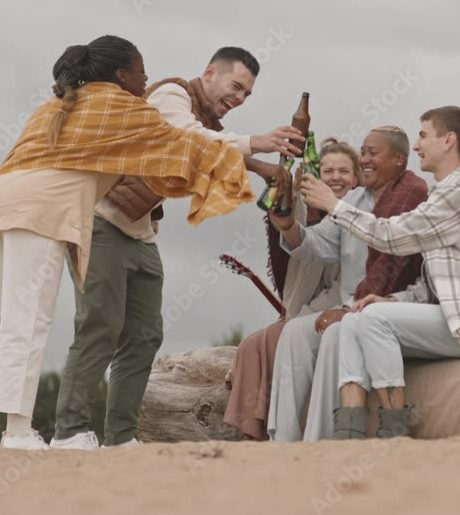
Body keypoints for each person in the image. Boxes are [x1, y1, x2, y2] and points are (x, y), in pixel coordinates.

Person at [0, 35, 253, 451]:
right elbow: (182, 142)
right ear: (121, 75)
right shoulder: (119, 105)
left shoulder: (56, 104)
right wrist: (255, 145)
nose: (147, 79)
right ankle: (16, 430)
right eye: (141, 70)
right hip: (41, 209)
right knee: (26, 318)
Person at [50, 47, 306, 450]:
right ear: (209, 73)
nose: (239, 98)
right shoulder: (171, 94)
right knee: (99, 326)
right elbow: (187, 137)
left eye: (247, 95)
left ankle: (120, 437)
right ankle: (68, 432)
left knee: (145, 336)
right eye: (236, 86)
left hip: (141, 233)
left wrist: (264, 168)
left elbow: (212, 144)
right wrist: (258, 143)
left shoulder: (209, 120)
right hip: (100, 223)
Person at [298, 106, 460, 440]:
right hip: (452, 318)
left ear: (449, 140)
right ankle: (349, 434)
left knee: (374, 319)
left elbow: (392, 236)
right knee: (358, 316)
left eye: (424, 135)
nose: (416, 146)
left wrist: (334, 205)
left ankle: (393, 431)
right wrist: (390, 298)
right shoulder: (444, 192)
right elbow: (433, 283)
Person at [266, 126, 429, 441]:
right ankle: (282, 440)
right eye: (363, 152)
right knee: (294, 333)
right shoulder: (355, 197)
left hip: (386, 308)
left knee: (334, 334)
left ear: (399, 160)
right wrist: (287, 227)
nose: (364, 160)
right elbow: (319, 245)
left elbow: (392, 260)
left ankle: (321, 439)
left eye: (373, 153)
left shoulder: (414, 194)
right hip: (349, 307)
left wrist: (350, 312)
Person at [223, 139, 360, 440]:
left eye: (344, 171)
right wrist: (279, 176)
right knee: (251, 344)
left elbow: (349, 285)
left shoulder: (359, 215)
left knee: (279, 336)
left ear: (356, 178)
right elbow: (288, 225)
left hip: (335, 309)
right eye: (328, 171)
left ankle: (285, 429)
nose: (336, 177)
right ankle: (254, 430)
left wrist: (303, 314)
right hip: (300, 310)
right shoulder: (305, 208)